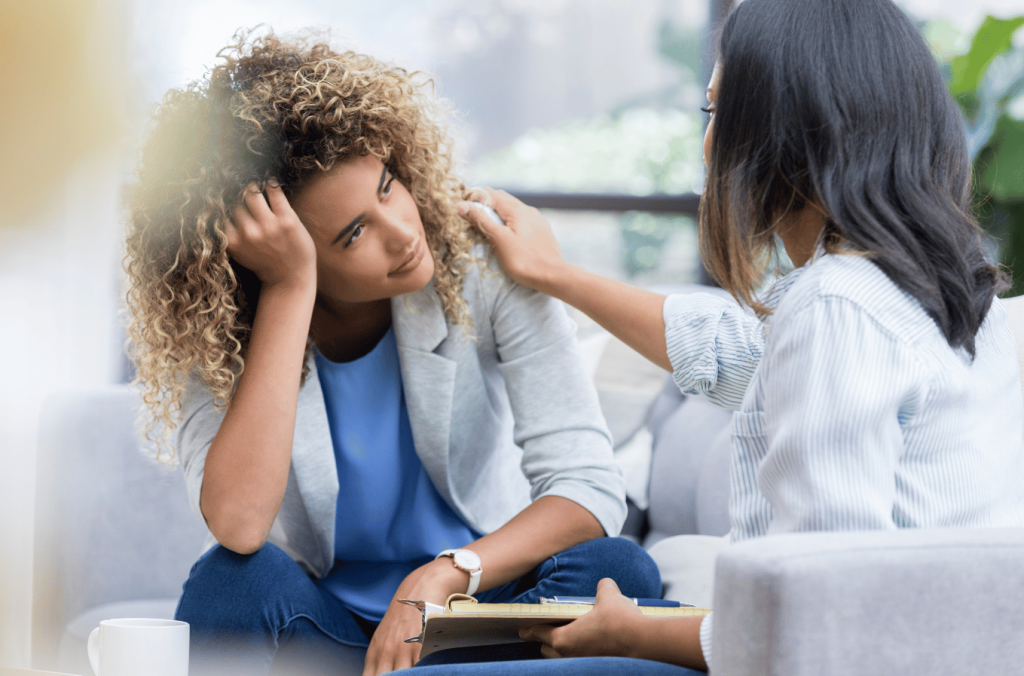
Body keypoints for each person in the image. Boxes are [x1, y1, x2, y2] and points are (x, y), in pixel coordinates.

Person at [417, 0, 1024, 673]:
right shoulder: (944, 298)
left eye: (716, 112)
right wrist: (554, 274)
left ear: (784, 128)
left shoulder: (839, 306)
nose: (709, 141)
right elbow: (737, 357)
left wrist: (632, 635)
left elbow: (822, 609)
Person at [123, 31, 662, 676]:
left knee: (618, 569)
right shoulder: (216, 330)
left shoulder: (483, 264)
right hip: (329, 629)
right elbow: (238, 525)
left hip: (477, 616)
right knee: (229, 582)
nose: (404, 232)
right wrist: (291, 290)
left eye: (387, 186)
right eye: (354, 234)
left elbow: (588, 486)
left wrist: (444, 575)